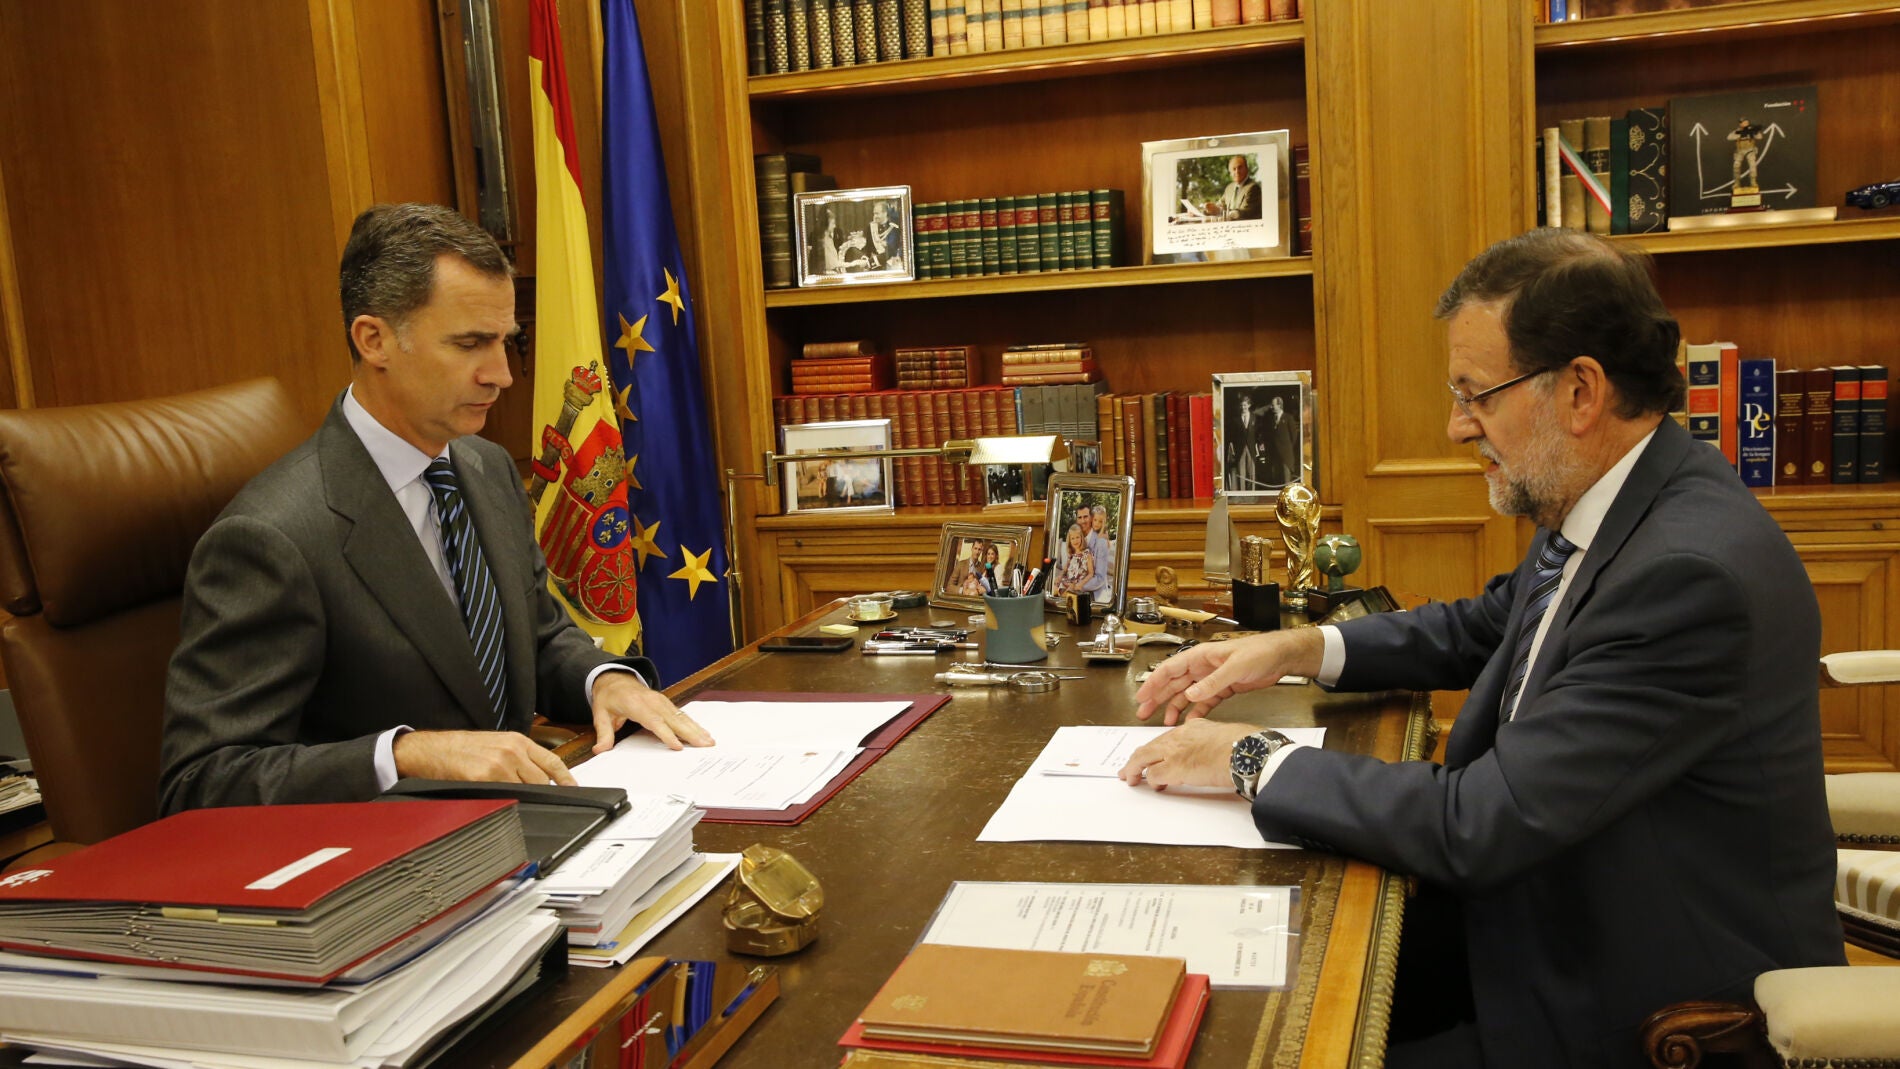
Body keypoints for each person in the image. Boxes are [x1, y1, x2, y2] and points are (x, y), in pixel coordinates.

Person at [1119, 229, 1843, 1067]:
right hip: (1535, 915)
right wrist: (1294, 647)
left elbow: (1482, 819)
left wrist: (1250, 757)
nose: (1456, 425)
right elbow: (1476, 627)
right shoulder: (1612, 499)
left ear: (1580, 391)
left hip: (1635, 1006)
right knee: (1224, 989)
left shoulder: (1687, 573)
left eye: (1476, 394)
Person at [160, 204, 714, 812]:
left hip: (521, 828)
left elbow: (536, 636)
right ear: (374, 340)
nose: (501, 374)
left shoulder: (484, 466)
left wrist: (601, 679)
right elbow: (203, 779)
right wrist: (405, 754)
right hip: (388, 861)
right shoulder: (271, 536)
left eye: (506, 342)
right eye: (470, 344)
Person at [1203, 154, 1261, 221]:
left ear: (1246, 169)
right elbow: (1220, 205)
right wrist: (1207, 210)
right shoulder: (1229, 188)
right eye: (1234, 169)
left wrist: (1219, 211)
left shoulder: (1253, 188)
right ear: (1230, 173)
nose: (1237, 171)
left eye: (1240, 167)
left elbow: (1244, 213)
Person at [1263, 392, 1297, 486]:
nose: (1271, 407)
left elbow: (1294, 436)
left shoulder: (1288, 418)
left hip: (1286, 456)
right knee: (1277, 480)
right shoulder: (1270, 419)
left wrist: (1287, 447)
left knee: (1287, 482)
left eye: (1273, 405)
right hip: (1275, 455)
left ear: (1279, 405)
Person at [1054, 524, 1093, 596]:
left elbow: (1091, 573)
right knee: (1054, 587)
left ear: (1081, 538)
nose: (1075, 540)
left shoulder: (1087, 554)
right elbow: (1065, 569)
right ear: (1070, 541)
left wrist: (1081, 583)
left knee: (1067, 592)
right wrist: (1059, 577)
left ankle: (1061, 595)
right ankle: (1058, 594)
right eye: (1073, 538)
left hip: (1076, 582)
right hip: (1067, 580)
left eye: (1077, 537)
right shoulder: (1072, 554)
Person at [865, 200, 904, 272]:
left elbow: (891, 251)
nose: (875, 216)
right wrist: (865, 258)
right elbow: (868, 247)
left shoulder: (893, 228)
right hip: (874, 268)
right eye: (874, 214)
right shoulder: (870, 227)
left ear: (885, 213)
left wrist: (871, 262)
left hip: (889, 266)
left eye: (877, 214)